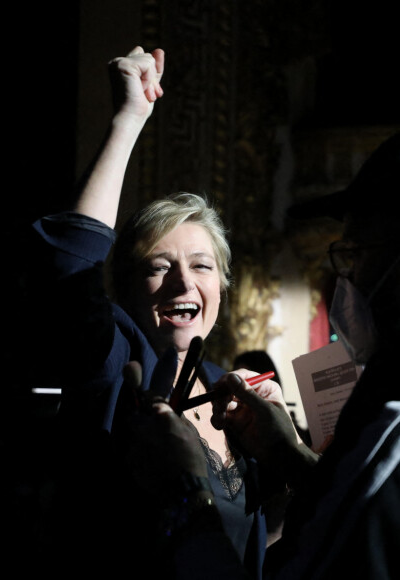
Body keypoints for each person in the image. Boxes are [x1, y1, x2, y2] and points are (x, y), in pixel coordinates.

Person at [31, 46, 284, 579]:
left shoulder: (232, 393)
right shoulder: (114, 368)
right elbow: (68, 266)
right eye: (159, 266)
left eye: (202, 265)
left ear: (223, 285)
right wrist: (127, 121)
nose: (184, 282)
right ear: (124, 288)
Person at [120, 131, 400, 579]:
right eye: (158, 266)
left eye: (357, 255)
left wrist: (187, 497)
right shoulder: (122, 376)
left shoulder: (391, 429)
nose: (347, 279)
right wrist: (289, 459)